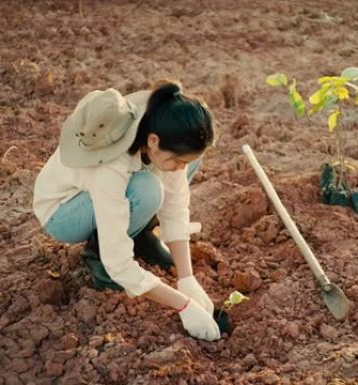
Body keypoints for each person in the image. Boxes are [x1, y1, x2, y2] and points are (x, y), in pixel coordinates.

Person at [32, 80, 220, 341]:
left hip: (107, 193)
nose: (179, 167)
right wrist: (184, 305)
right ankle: (98, 251)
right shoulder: (110, 166)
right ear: (153, 141)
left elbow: (176, 205)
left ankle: (137, 233)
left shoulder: (158, 127)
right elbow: (120, 265)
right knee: (147, 189)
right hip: (63, 213)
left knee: (188, 159)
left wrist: (187, 278)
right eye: (174, 158)